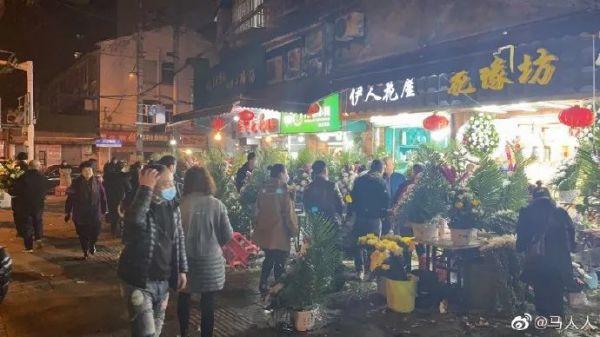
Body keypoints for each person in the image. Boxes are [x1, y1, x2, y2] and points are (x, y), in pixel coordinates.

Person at [117, 165, 187, 337]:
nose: (170, 187)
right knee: (146, 334)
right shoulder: (134, 203)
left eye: (171, 182)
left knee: (155, 332)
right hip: (138, 282)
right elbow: (133, 224)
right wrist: (145, 190)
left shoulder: (172, 208)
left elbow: (178, 239)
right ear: (151, 183)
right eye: (164, 183)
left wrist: (182, 270)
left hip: (162, 281)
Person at [178, 166, 233, 337]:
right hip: (210, 262)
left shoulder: (180, 205)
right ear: (207, 182)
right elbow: (227, 235)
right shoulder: (217, 205)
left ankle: (184, 332)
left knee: (183, 297)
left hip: (185, 262)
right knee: (208, 302)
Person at [516, 194, 575, 316]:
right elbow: (571, 233)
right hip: (559, 260)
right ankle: (556, 318)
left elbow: (522, 236)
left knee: (540, 290)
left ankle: (543, 320)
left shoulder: (527, 213)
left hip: (538, 261)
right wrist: (571, 249)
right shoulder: (560, 213)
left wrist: (520, 247)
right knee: (557, 291)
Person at [253, 164, 298, 295]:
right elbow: (288, 214)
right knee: (280, 263)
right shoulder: (284, 190)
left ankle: (263, 284)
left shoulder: (264, 189)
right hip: (279, 233)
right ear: (281, 174)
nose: (287, 175)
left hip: (265, 233)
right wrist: (294, 230)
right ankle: (278, 290)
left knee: (269, 258)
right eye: (286, 172)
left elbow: (256, 210)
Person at [350, 159, 390, 278]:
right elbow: (386, 199)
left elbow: (352, 197)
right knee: (374, 246)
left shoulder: (359, 180)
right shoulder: (381, 181)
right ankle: (371, 271)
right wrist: (383, 214)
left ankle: (359, 270)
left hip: (360, 217)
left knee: (359, 244)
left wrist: (353, 211)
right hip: (374, 219)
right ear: (381, 169)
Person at [65, 162, 108, 259]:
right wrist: (68, 212)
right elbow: (70, 198)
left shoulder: (97, 182)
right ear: (81, 172)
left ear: (92, 171)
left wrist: (105, 210)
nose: (87, 172)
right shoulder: (76, 183)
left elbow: (103, 196)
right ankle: (85, 251)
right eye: (85, 170)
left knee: (95, 232)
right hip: (80, 214)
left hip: (95, 213)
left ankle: (92, 244)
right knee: (82, 234)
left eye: (89, 170)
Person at [13, 160, 50, 252]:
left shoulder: (23, 177)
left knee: (27, 225)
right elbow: (47, 188)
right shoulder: (43, 177)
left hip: (25, 204)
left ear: (29, 167)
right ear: (38, 167)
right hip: (38, 204)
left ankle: (29, 247)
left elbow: (16, 190)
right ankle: (38, 238)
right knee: (38, 221)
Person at [303, 160, 344, 227]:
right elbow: (340, 204)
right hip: (330, 222)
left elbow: (307, 206)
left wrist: (316, 210)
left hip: (314, 223)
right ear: (325, 170)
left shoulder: (308, 187)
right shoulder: (332, 185)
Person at [104, 161, 132, 236]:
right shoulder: (123, 177)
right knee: (119, 214)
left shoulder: (107, 176)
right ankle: (118, 232)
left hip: (109, 197)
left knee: (112, 213)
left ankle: (113, 230)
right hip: (120, 198)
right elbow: (129, 188)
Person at [382, 157, 406, 234]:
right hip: (384, 210)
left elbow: (404, 193)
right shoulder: (380, 178)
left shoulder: (400, 177)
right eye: (384, 164)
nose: (386, 167)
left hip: (397, 210)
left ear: (393, 166)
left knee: (397, 234)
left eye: (387, 164)